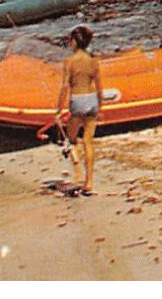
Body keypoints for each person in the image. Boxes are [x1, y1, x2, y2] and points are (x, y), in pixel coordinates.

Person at [56, 24, 105, 195]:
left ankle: (78, 175)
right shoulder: (93, 61)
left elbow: (64, 87)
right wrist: (101, 108)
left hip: (77, 100)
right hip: (92, 100)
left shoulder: (69, 61)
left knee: (71, 139)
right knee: (88, 141)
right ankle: (89, 182)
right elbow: (99, 87)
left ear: (75, 42)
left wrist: (58, 109)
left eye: (70, 40)